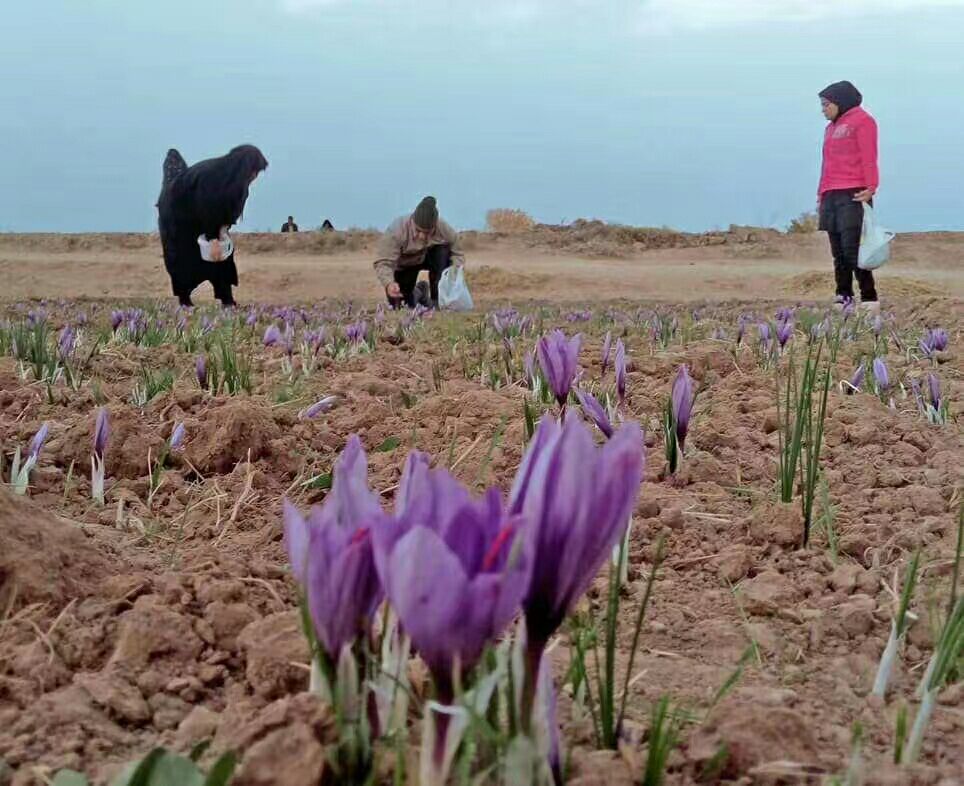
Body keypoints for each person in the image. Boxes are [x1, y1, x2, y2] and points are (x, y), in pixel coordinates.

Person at [157, 144, 268, 307]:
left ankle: (226, 299)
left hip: (201, 217)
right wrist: (213, 238)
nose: (255, 176)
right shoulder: (212, 176)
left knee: (223, 256)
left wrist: (222, 232)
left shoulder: (237, 184)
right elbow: (207, 207)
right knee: (184, 255)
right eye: (254, 171)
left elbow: (228, 214)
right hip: (176, 212)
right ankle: (184, 299)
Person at [817, 81, 880, 314]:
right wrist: (821, 193)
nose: (823, 110)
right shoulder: (830, 128)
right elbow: (826, 164)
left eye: (826, 104)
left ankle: (869, 297)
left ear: (840, 102)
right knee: (838, 251)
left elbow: (869, 156)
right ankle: (843, 295)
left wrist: (871, 186)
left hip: (854, 192)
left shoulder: (863, 121)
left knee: (853, 248)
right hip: (830, 193)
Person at [373, 196, 465, 309]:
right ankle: (420, 291)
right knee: (402, 305)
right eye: (418, 230)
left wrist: (453, 274)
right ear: (412, 221)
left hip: (429, 257)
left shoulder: (442, 227)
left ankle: (438, 301)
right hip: (405, 265)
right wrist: (389, 283)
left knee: (443, 251)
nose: (422, 236)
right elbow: (383, 262)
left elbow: (457, 252)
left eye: (427, 232)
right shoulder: (396, 231)